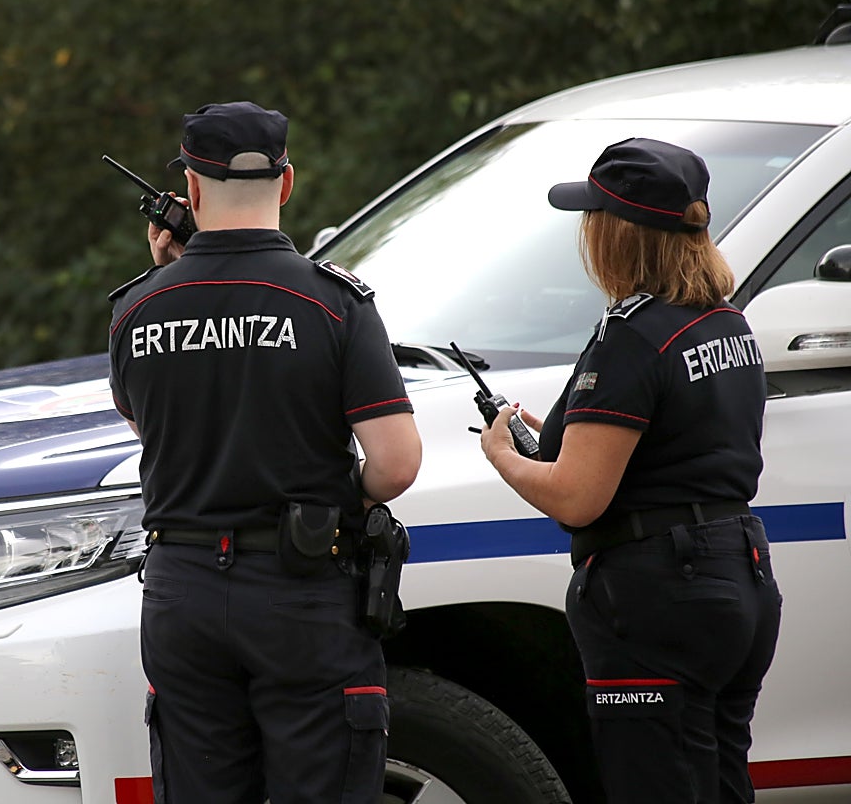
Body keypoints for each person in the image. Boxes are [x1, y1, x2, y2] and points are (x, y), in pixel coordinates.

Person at [108, 101, 422, 804]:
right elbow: (397, 463)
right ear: (286, 185)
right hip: (301, 589)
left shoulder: (134, 310)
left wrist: (168, 279)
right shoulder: (333, 302)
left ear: (190, 190)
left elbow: (160, 435)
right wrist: (347, 496)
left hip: (181, 591)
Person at [477, 137, 783, 804]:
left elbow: (578, 498)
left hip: (659, 597)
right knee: (721, 781)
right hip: (739, 576)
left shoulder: (633, 337)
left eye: (593, 217)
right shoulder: (725, 322)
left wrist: (503, 456)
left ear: (618, 235)